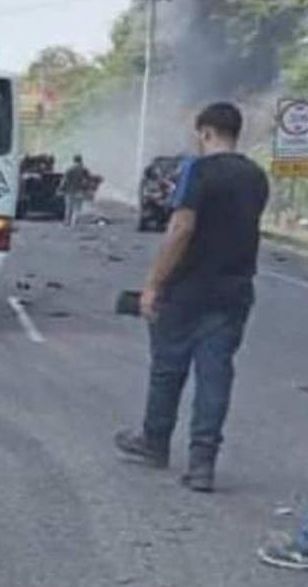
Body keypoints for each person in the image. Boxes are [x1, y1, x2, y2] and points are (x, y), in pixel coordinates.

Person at [114, 103, 269, 492]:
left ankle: (154, 442)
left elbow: (181, 228)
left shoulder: (197, 171)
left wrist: (153, 284)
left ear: (205, 132)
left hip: (188, 291)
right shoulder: (256, 176)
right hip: (234, 290)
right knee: (215, 373)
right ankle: (203, 463)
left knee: (168, 368)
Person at [60, 154, 90, 226]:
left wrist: (61, 188)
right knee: (77, 208)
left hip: (69, 191)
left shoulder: (69, 169)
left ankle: (67, 222)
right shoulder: (84, 170)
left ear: (74, 160)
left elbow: (64, 180)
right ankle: (74, 222)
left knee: (68, 207)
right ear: (81, 160)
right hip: (79, 191)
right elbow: (87, 180)